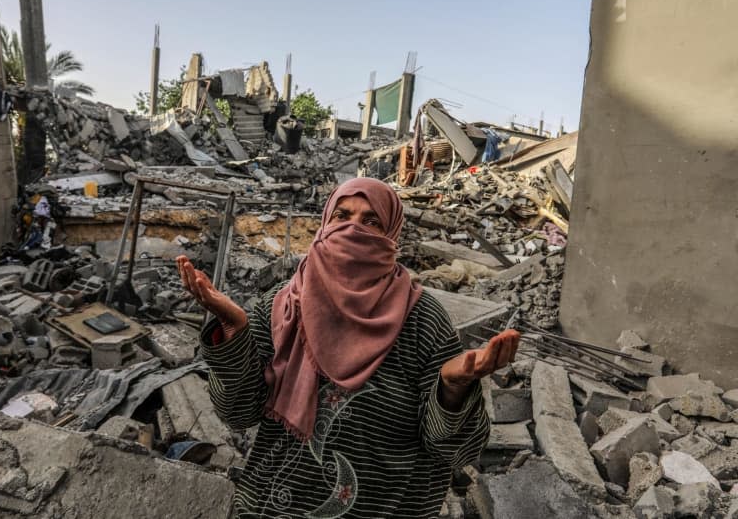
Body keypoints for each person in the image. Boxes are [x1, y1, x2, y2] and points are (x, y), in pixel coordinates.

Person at [177, 177, 520, 518]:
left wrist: (453, 389)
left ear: (391, 235)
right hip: (272, 507)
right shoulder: (282, 306)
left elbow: (458, 451)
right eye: (342, 216)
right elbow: (238, 414)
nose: (353, 230)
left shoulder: (422, 321)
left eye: (371, 221)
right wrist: (234, 332)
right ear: (325, 222)